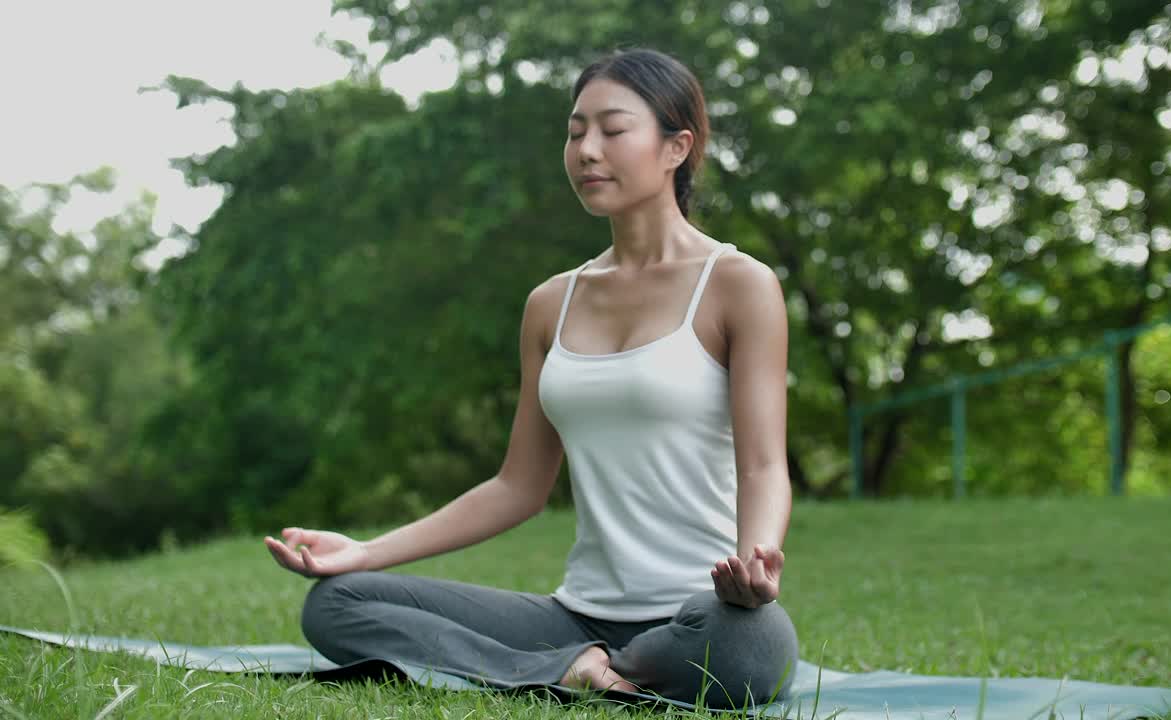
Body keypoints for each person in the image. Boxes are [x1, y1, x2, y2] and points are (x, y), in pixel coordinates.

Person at [264, 47, 798, 709]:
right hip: (574, 615)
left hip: (700, 613)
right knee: (337, 604)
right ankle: (571, 664)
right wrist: (366, 551)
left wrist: (756, 562)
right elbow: (517, 487)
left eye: (612, 129)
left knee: (752, 648)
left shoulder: (738, 285)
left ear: (675, 147)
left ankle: (573, 668)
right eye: (575, 132)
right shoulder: (553, 302)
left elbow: (764, 466)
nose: (586, 150)